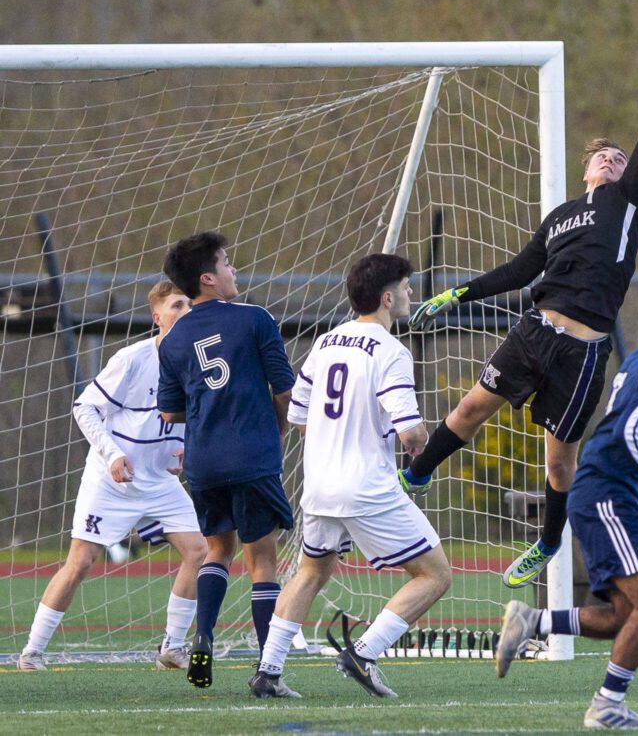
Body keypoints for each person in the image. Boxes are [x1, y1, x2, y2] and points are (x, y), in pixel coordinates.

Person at [403, 20, 638, 589]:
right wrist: (455, 292)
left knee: (558, 463)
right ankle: (413, 478)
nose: (615, 162)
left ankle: (546, 541)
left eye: (620, 160)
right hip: (534, 331)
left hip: (584, 352)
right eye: (606, 159)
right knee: (470, 410)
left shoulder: (627, 203)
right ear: (587, 169)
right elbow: (521, 271)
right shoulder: (563, 215)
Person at [495, 274, 638, 729]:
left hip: (607, 491)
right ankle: (606, 705)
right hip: (606, 494)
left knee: (624, 616)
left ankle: (532, 622)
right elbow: (631, 433)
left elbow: (617, 431)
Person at [249, 253, 451, 700]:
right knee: (435, 575)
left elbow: (298, 414)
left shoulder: (325, 342)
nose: (411, 293)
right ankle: (365, 652)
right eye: (406, 286)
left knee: (309, 573)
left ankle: (268, 670)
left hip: (319, 484)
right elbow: (410, 429)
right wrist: (419, 443)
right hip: (366, 487)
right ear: (386, 296)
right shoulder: (392, 351)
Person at [18, 281, 207, 672]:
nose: (185, 312)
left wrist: (187, 447)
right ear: (157, 318)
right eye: (176, 306)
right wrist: (113, 454)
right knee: (82, 561)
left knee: (198, 550)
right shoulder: (133, 358)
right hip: (112, 480)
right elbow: (84, 409)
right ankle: (32, 651)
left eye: (189, 305)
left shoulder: (199, 363)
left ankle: (172, 647)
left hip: (159, 482)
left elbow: (191, 417)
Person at [158, 232, 295, 687]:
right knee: (263, 561)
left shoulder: (174, 340)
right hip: (252, 455)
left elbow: (170, 410)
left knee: (217, 550)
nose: (234, 270)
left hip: (204, 462)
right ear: (208, 279)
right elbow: (285, 390)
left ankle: (202, 636)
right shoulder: (255, 318)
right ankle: (267, 669)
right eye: (227, 263)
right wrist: (275, 425)